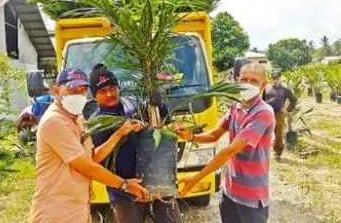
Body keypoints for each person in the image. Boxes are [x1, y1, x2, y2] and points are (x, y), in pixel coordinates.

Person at [29, 67, 148, 223]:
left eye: (83, 90)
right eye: (73, 91)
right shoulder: (54, 122)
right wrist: (124, 184)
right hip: (55, 211)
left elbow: (93, 157)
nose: (79, 96)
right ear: (57, 91)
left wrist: (119, 133)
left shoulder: (78, 119)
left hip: (77, 208)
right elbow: (87, 167)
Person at [176, 63, 275, 223]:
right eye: (244, 79)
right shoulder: (236, 105)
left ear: (264, 84)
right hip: (230, 190)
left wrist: (195, 179)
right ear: (237, 80)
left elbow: (229, 151)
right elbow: (214, 135)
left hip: (251, 195)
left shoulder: (263, 113)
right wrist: (191, 137)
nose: (248, 84)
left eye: (254, 81)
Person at [89, 64, 183, 223]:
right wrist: (119, 133)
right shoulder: (96, 123)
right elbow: (94, 160)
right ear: (94, 96)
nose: (109, 94)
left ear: (118, 88)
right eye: (102, 91)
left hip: (157, 184)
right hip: (126, 194)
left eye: (112, 87)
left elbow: (163, 117)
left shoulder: (132, 103)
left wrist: (159, 104)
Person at [262, 70, 297, 161]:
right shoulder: (267, 88)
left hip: (279, 113)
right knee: (264, 132)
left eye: (277, 78)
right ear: (271, 78)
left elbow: (293, 100)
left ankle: (278, 152)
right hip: (267, 113)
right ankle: (262, 151)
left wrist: (287, 109)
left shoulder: (285, 89)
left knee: (278, 133)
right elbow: (262, 100)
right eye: (273, 78)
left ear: (279, 78)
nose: (275, 79)